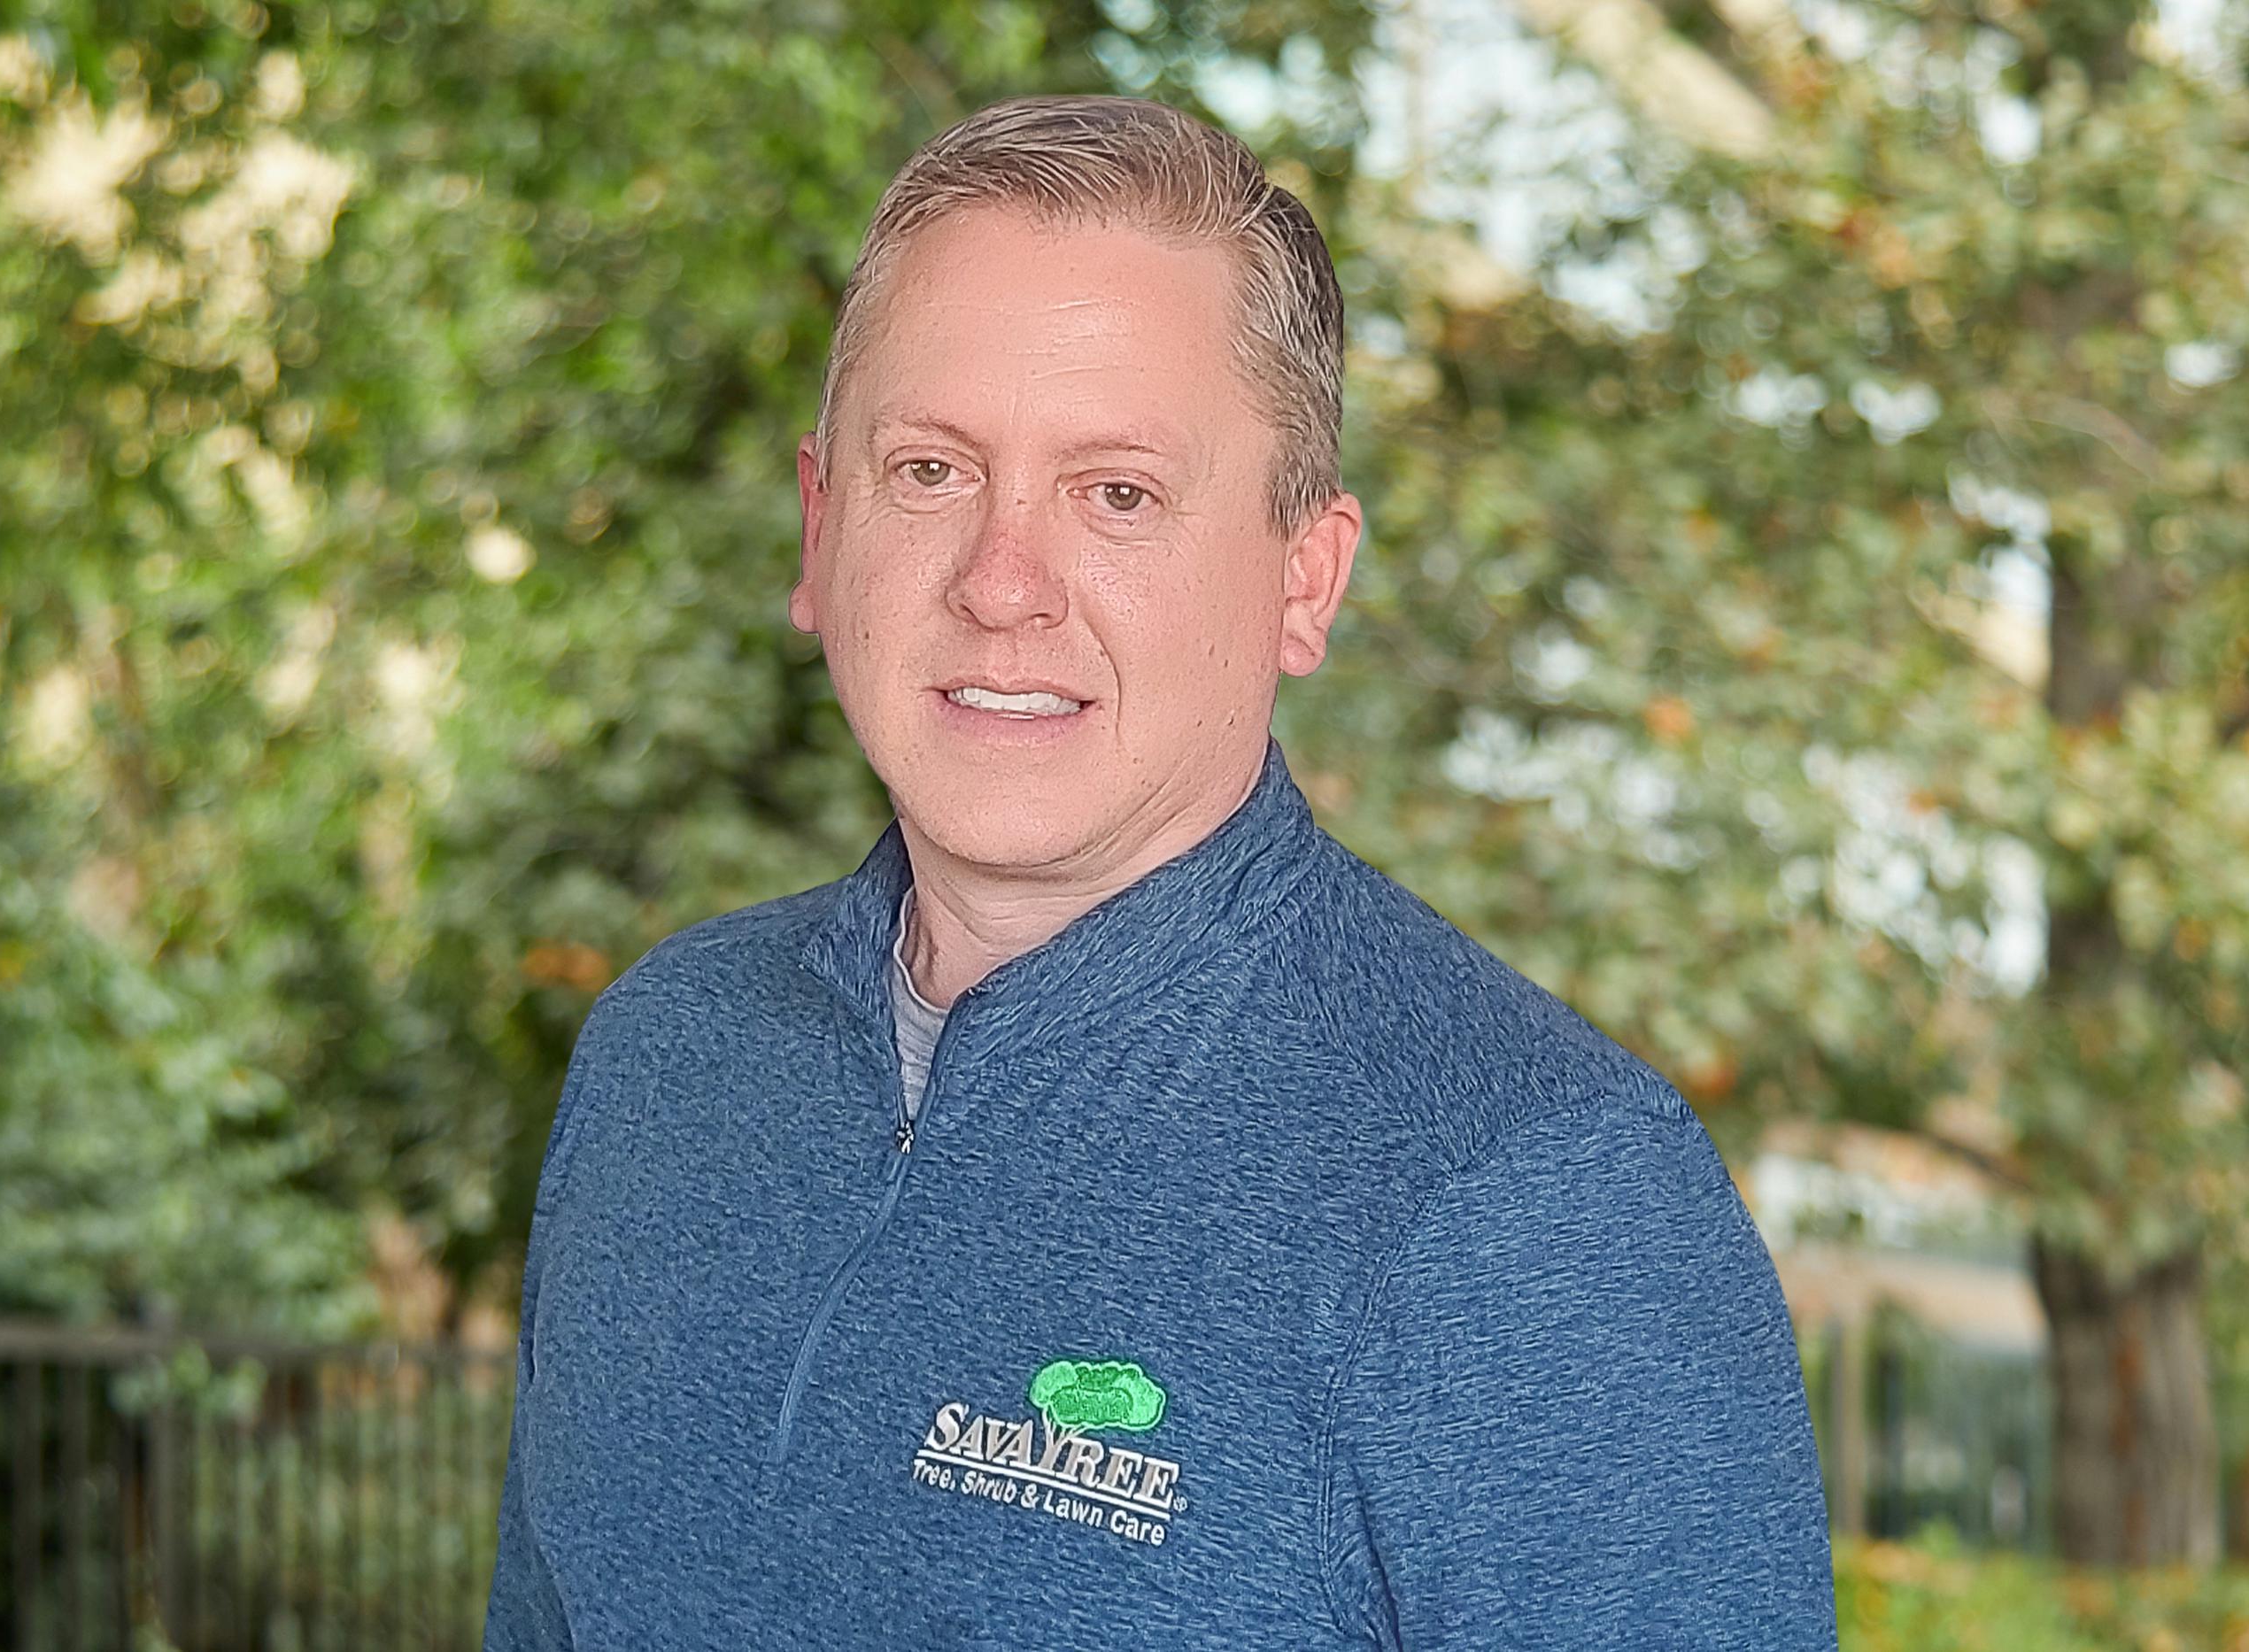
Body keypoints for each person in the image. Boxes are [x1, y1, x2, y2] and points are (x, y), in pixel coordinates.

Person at [483, 93, 1836, 1648]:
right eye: (930, 470)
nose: (1002, 583)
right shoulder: (669, 1059)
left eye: (1116, 493)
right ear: (818, 522)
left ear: (1303, 581)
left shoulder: (1540, 1204)